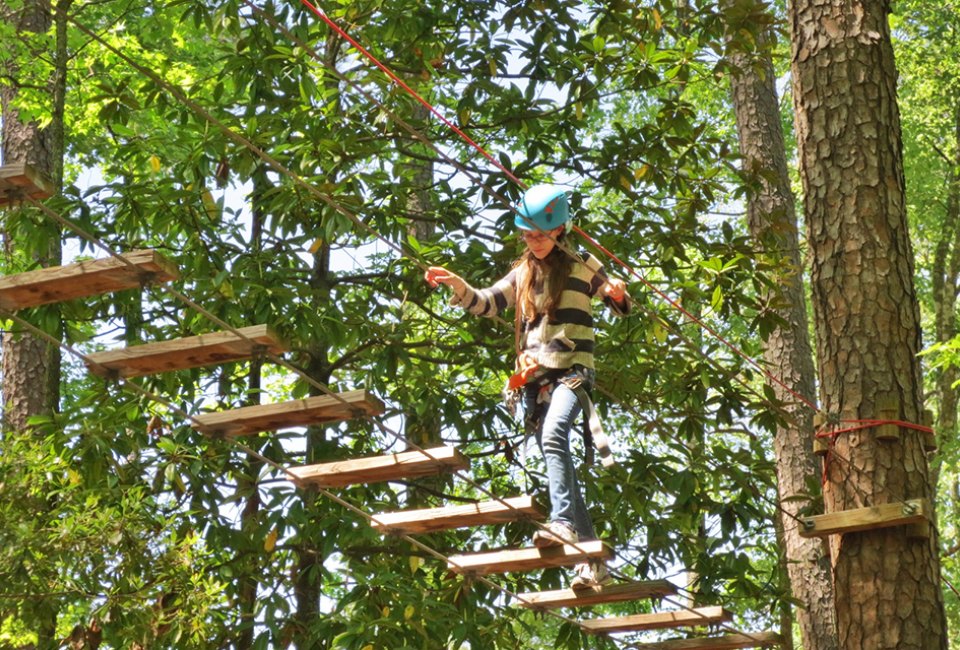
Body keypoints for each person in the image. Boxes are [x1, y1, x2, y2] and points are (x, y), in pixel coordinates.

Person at [424, 184, 629, 589]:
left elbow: (615, 301)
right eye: (527, 234)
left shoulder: (582, 264)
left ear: (559, 231)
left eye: (539, 234)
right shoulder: (523, 273)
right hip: (536, 383)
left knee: (554, 437)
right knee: (559, 463)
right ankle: (591, 561)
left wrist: (618, 293)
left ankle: (563, 524)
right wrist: (459, 286)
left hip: (571, 372)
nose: (532, 241)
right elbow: (487, 303)